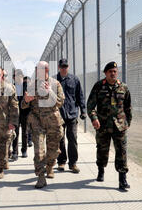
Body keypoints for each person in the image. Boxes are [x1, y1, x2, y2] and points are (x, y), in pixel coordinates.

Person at [87, 61, 132, 191]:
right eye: (110, 71)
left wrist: (127, 122)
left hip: (120, 126)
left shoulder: (123, 87)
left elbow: (128, 107)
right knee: (102, 150)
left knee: (122, 151)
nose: (113, 73)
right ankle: (101, 170)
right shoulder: (99, 86)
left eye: (115, 71)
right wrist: (94, 119)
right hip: (103, 125)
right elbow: (90, 105)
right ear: (105, 73)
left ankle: (122, 179)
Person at [21, 61, 64, 189]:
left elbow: (60, 102)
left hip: (53, 122)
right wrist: (26, 101)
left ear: (47, 70)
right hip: (37, 122)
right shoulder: (31, 85)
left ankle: (50, 165)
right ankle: (41, 176)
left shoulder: (55, 84)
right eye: (36, 69)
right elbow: (23, 105)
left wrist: (50, 91)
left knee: (53, 151)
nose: (37, 71)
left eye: (40, 69)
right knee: (39, 151)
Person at [56, 59, 86, 174]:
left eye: (66, 66)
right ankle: (61, 161)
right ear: (59, 67)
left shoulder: (74, 79)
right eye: (62, 66)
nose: (64, 68)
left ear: (68, 67)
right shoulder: (54, 81)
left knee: (72, 138)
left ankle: (73, 163)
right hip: (59, 115)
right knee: (60, 139)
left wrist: (83, 110)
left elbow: (80, 96)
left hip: (72, 114)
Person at [9, 69, 31, 160]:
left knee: (25, 132)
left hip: (25, 112)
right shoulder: (12, 87)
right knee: (15, 132)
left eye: (19, 76)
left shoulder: (26, 86)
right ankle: (15, 151)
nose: (17, 77)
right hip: (15, 113)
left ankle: (24, 150)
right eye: (16, 76)